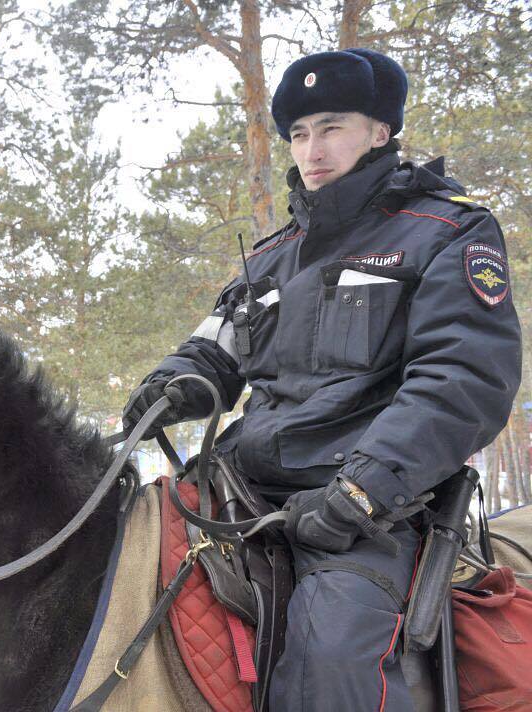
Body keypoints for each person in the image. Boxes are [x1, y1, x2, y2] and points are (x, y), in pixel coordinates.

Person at [123, 48, 521, 711]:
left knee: (327, 654)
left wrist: (365, 491)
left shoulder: (446, 232)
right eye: (300, 132)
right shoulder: (274, 257)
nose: (313, 148)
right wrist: (172, 384)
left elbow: (461, 378)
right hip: (243, 489)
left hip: (366, 509)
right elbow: (214, 347)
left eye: (332, 125)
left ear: (380, 131)